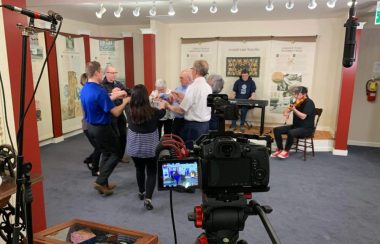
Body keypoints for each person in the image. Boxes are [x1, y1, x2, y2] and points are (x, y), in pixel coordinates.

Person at [80, 61, 129, 196]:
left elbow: (102, 99)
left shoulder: (85, 89)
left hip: (91, 127)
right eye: (101, 72)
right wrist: (125, 102)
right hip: (102, 127)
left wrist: (114, 95)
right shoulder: (99, 91)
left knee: (106, 153)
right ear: (96, 73)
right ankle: (100, 181)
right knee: (116, 153)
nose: (102, 74)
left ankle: (104, 185)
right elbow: (116, 112)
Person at [126, 84, 167, 210]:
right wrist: (162, 105)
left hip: (134, 147)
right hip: (150, 148)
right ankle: (148, 198)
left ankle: (141, 192)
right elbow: (162, 112)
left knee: (139, 169)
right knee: (151, 171)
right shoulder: (154, 112)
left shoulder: (128, 110)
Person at [166, 60, 212, 149]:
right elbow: (197, 102)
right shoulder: (208, 87)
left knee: (190, 152)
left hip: (193, 127)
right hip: (205, 126)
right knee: (201, 150)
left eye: (192, 69)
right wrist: (182, 96)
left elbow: (181, 110)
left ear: (195, 71)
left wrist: (167, 105)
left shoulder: (193, 87)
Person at [271, 86, 316, 159]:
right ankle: (280, 149)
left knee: (291, 132)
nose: (295, 96)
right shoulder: (297, 102)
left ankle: (286, 151)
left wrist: (294, 109)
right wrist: (286, 112)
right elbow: (287, 109)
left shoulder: (309, 103)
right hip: (296, 126)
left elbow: (303, 116)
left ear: (304, 94)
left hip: (307, 129)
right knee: (276, 130)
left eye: (297, 94)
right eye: (295, 94)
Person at [101, 65, 130, 163]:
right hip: (110, 114)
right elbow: (103, 98)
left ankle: (120, 157)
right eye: (112, 73)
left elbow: (128, 91)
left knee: (123, 135)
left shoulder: (118, 83)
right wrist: (112, 93)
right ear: (106, 73)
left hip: (120, 112)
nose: (114, 75)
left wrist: (124, 92)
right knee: (114, 137)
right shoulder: (102, 85)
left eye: (115, 73)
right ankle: (113, 157)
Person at [80, 73, 101, 176]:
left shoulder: (86, 93)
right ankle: (94, 168)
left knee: (99, 147)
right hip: (88, 126)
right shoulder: (87, 94)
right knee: (99, 147)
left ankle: (90, 160)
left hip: (90, 125)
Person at [170, 69, 193, 136]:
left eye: (181, 78)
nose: (180, 80)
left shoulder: (191, 90)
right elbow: (173, 101)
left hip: (186, 121)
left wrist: (178, 100)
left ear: (188, 79)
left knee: (184, 142)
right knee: (174, 141)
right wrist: (170, 99)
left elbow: (187, 106)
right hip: (176, 120)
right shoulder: (178, 88)